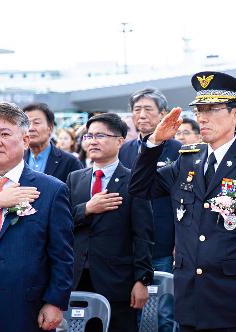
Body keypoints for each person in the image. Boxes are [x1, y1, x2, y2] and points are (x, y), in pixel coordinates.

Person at [128, 71, 236, 332]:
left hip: (233, 298)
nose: (202, 117)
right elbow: (140, 188)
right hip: (190, 296)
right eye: (200, 109)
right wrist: (154, 143)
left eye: (212, 110)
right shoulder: (188, 158)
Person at [0, 102, 74, 331]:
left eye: (4, 133)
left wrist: (55, 302)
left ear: (24, 140)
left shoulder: (51, 190)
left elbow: (62, 254)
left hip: (23, 306)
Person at [67, 113, 153, 332]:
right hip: (78, 277)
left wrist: (142, 280)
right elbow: (62, 222)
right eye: (89, 136)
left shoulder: (134, 180)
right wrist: (87, 209)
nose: (93, 141)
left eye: (101, 135)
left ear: (120, 140)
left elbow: (143, 234)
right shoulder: (75, 178)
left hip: (117, 280)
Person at [118, 88, 181, 332]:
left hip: (163, 239)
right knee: (131, 309)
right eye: (137, 110)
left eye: (148, 109)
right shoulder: (125, 149)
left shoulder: (178, 150)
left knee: (163, 313)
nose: (141, 115)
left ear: (164, 114)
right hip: (130, 241)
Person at [22, 103, 83, 183]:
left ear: (50, 128)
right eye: (27, 124)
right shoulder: (16, 160)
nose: (30, 128)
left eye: (36, 123)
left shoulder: (70, 162)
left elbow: (77, 193)